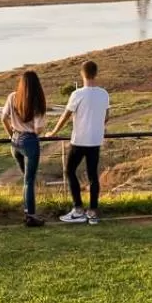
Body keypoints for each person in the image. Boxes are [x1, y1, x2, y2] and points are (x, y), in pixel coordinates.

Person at [47, 59, 109, 224]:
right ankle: (93, 212)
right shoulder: (104, 94)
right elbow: (106, 116)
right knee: (92, 176)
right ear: (96, 74)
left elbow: (65, 116)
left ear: (82, 74)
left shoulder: (77, 94)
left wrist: (53, 132)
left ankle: (78, 209)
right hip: (95, 141)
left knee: (69, 171)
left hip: (80, 140)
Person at [0, 70, 47, 227]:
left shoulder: (12, 97)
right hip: (29, 142)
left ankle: (27, 212)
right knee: (29, 180)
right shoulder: (37, 101)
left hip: (15, 142)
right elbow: (38, 129)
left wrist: (10, 135)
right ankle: (31, 216)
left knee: (26, 180)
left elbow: (3, 118)